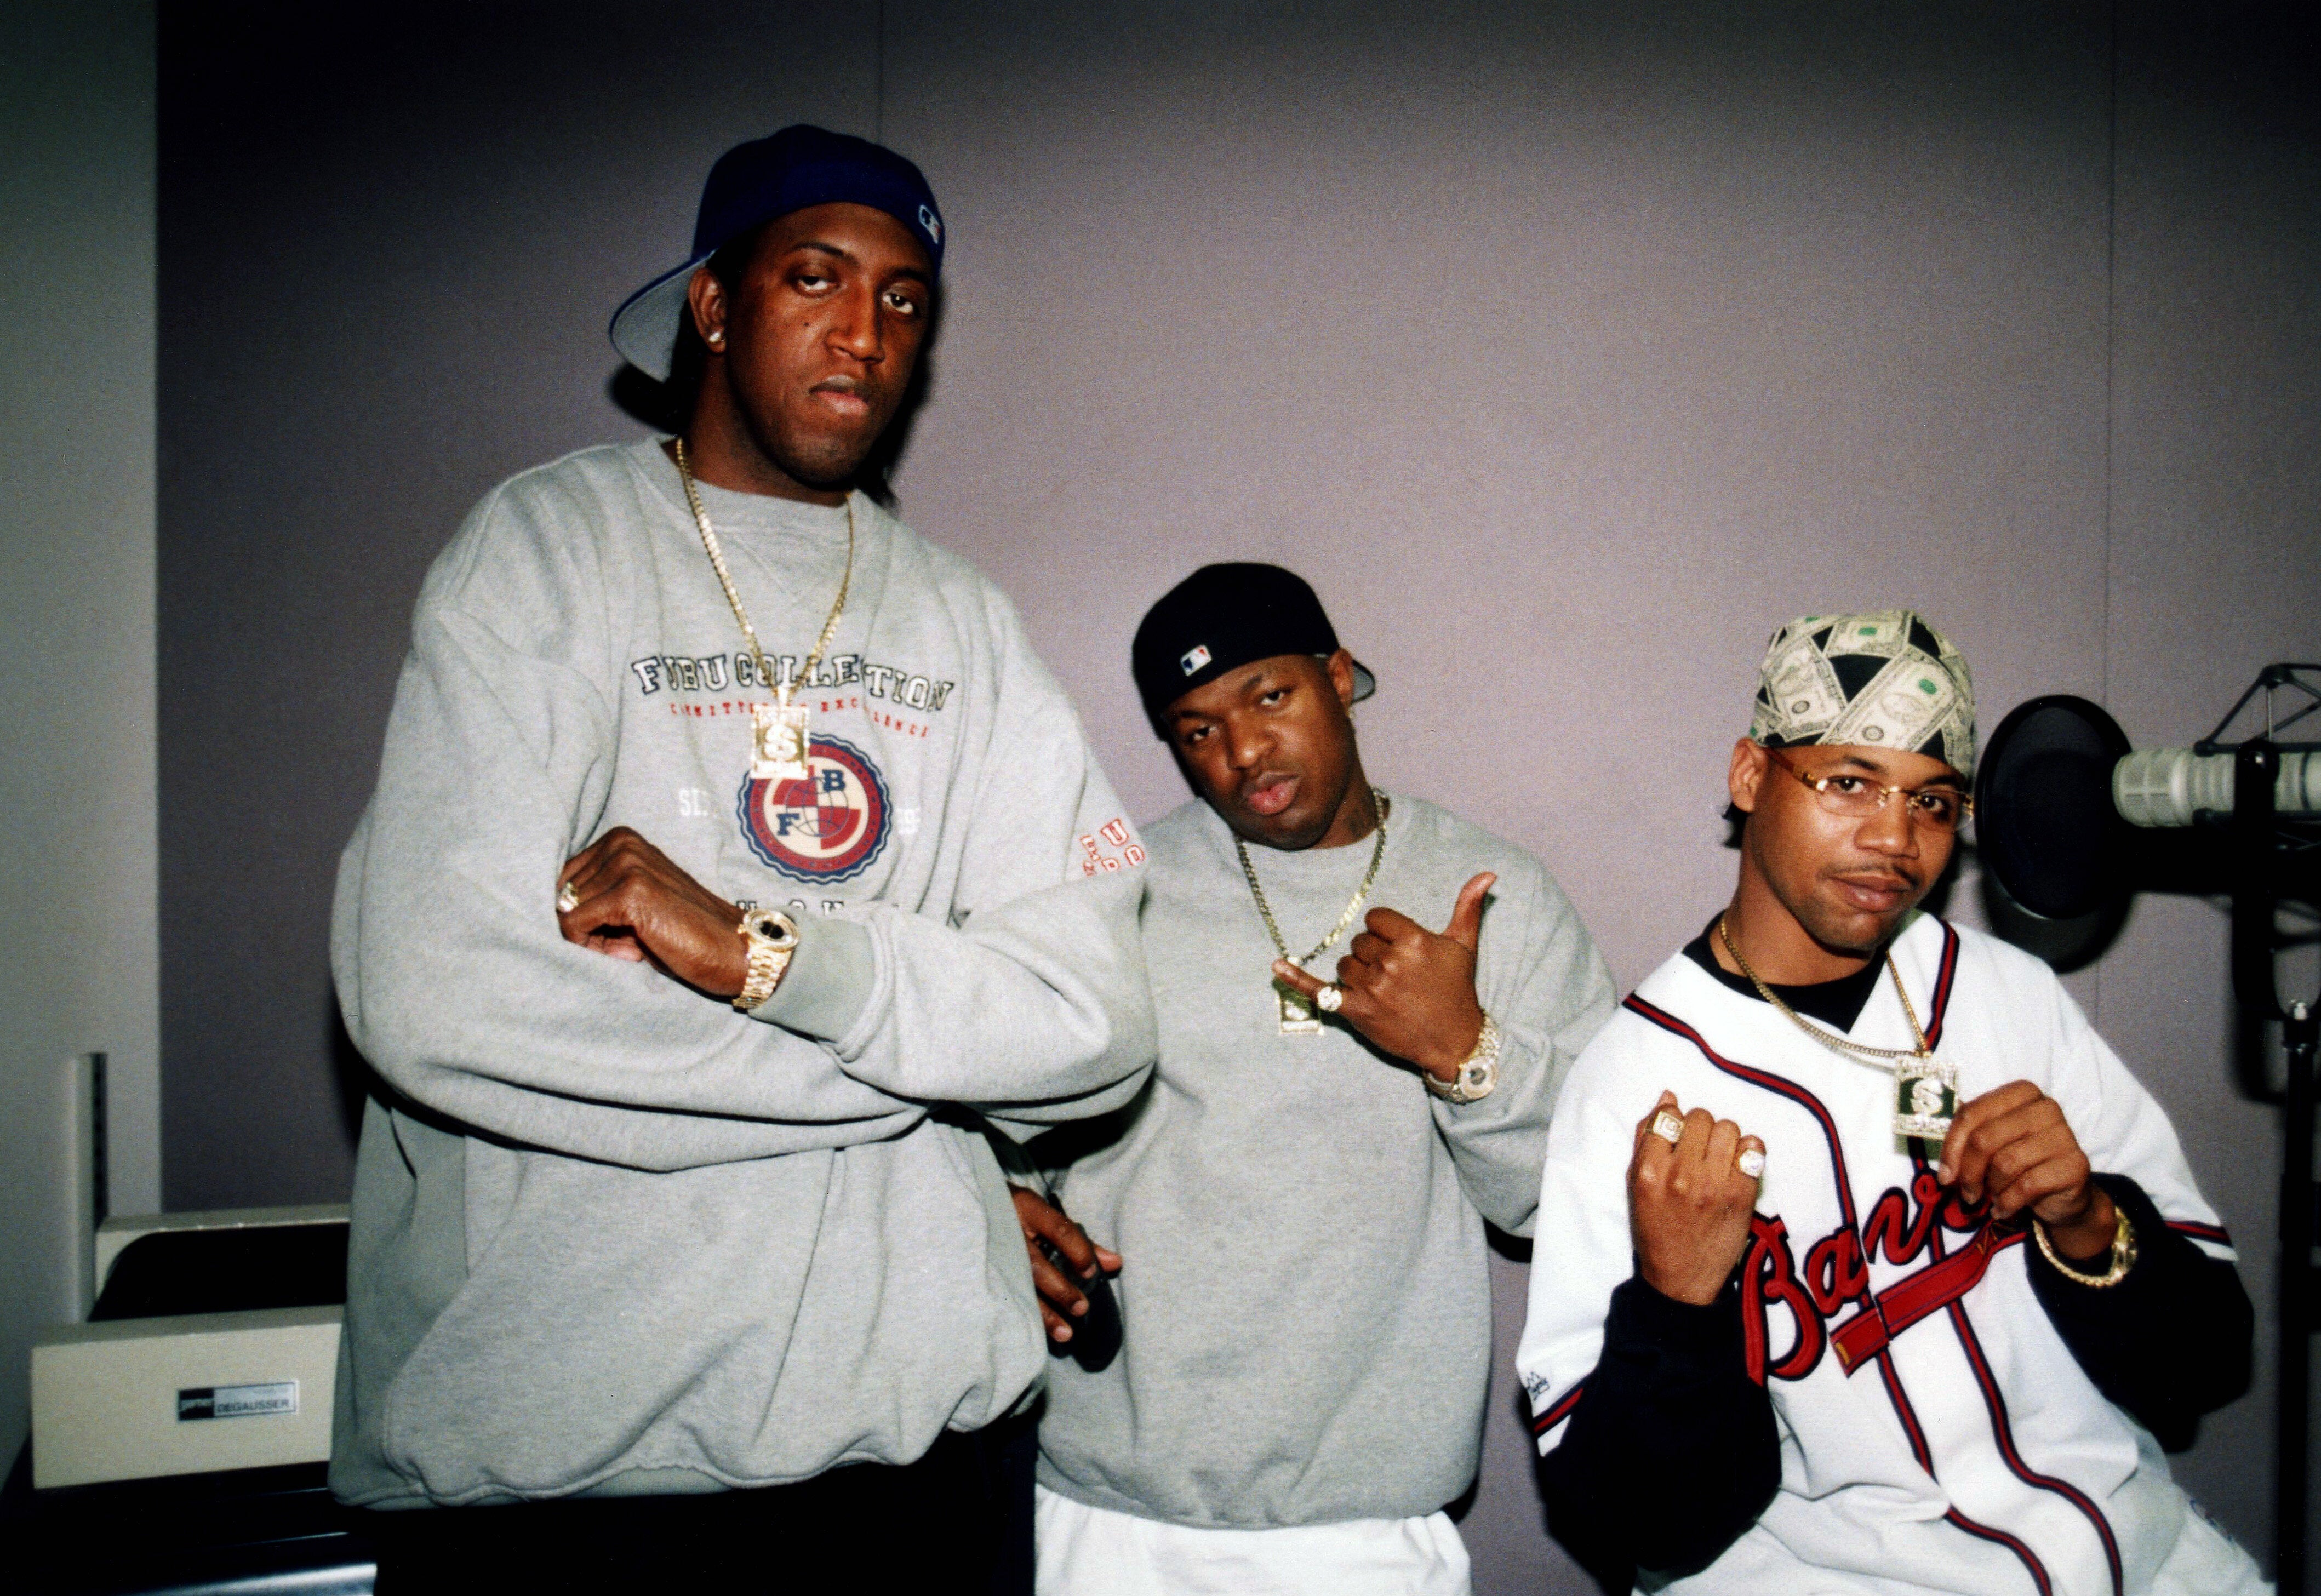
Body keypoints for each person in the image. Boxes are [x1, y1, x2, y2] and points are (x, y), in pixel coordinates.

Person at [330, 125, 1154, 1590]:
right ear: (714, 306)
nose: (865, 330)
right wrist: (931, 1078)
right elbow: (436, 995)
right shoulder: (545, 553)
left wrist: (769, 958)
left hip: (919, 1478)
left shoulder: (960, 619)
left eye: (905, 298)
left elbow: (1095, 1025)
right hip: (570, 1479)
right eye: (816, 278)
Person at [1517, 610, 2263, 1595]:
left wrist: (2090, 1224)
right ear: (1750, 776)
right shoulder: (1632, 1086)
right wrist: (1676, 1309)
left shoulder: (2011, 996)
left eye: (1934, 802)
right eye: (1848, 782)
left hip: (2137, 1556)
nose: (1893, 838)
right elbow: (1642, 1524)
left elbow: (2208, 1360)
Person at [1008, 563, 1616, 1595]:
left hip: (1369, 1523)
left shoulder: (1491, 892)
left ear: (1340, 678)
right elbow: (980, 1113)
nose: (1244, 753)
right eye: (1197, 729)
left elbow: (1577, 1199)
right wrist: (996, 1206)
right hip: (1112, 1512)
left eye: (1270, 696)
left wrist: (1464, 1052)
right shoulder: (1112, 895)